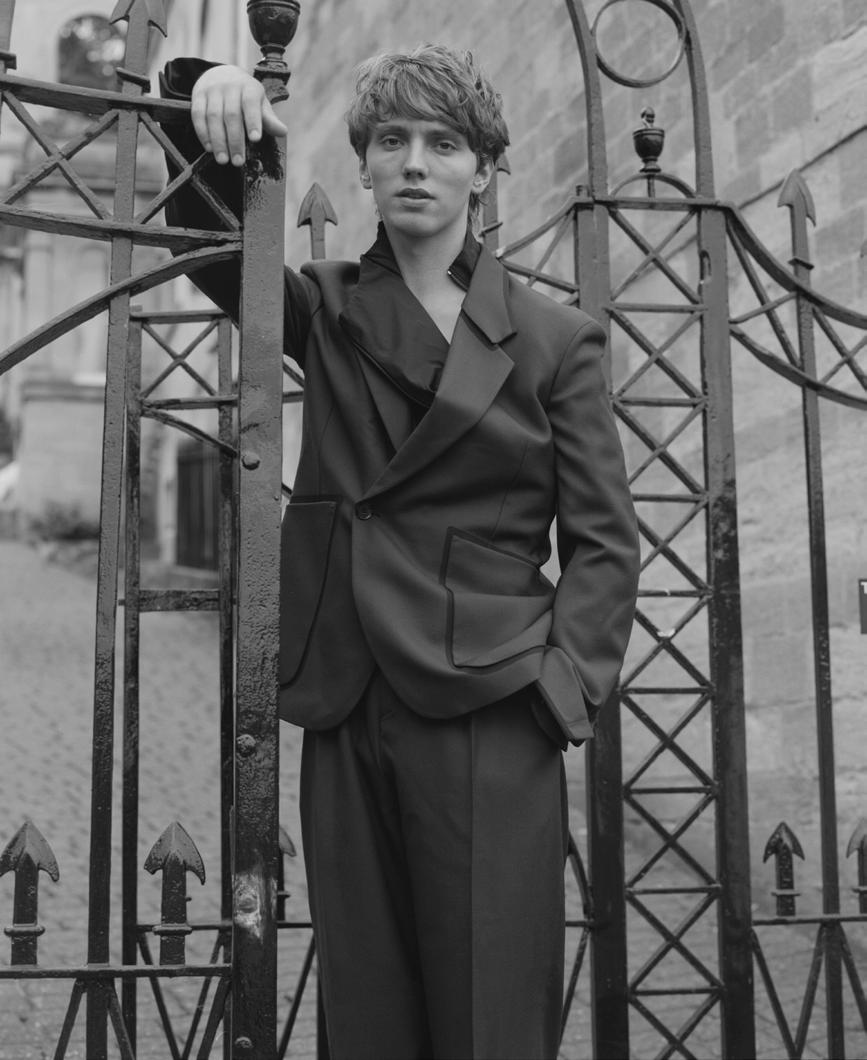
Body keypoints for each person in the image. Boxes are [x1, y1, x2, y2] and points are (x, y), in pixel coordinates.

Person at [160, 44, 639, 1060]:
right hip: (349, 691)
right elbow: (211, 254)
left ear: (484, 168)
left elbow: (603, 541)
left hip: (492, 705)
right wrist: (206, 96)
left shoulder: (556, 340)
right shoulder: (326, 306)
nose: (415, 161)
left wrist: (558, 692)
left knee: (487, 1015)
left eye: (443, 143)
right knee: (367, 1011)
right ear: (366, 166)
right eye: (392, 140)